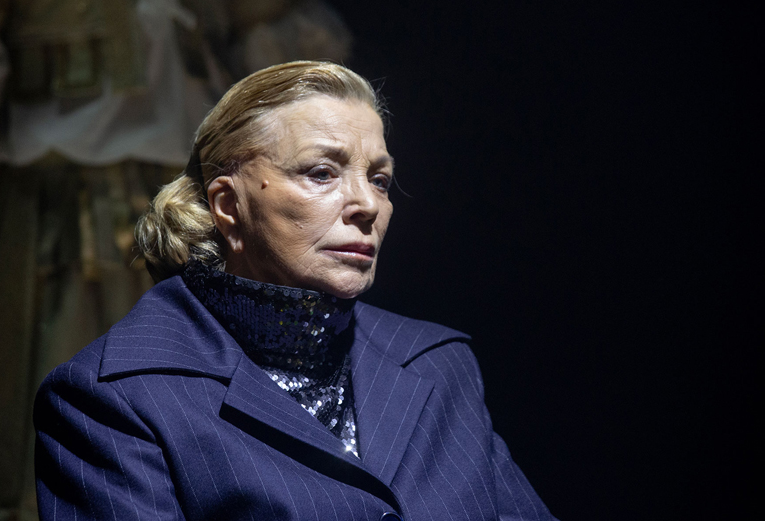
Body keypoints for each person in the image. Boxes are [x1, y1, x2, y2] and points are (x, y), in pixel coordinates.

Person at [34, 60, 557, 521]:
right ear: (228, 205)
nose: (368, 205)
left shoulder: (438, 363)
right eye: (322, 173)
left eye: (379, 179)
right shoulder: (114, 398)